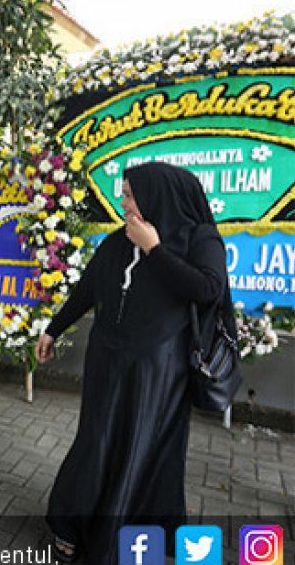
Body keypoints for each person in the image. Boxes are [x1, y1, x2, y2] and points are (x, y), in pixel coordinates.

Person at [35, 162, 230, 563]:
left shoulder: (200, 238)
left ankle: (128, 536)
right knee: (97, 441)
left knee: (139, 448)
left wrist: (154, 249)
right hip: (107, 361)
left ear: (156, 196)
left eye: (129, 195)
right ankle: (73, 526)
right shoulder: (117, 241)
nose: (123, 203)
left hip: (159, 373)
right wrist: (53, 330)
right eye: (123, 194)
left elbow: (208, 289)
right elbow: (87, 289)